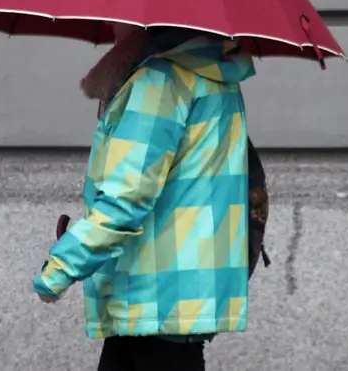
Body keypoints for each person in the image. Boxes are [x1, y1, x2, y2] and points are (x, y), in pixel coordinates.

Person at [33, 23, 256, 371]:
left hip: (152, 293)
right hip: (179, 290)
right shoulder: (214, 75)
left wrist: (59, 270)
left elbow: (126, 197)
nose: (111, 25)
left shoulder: (160, 81)